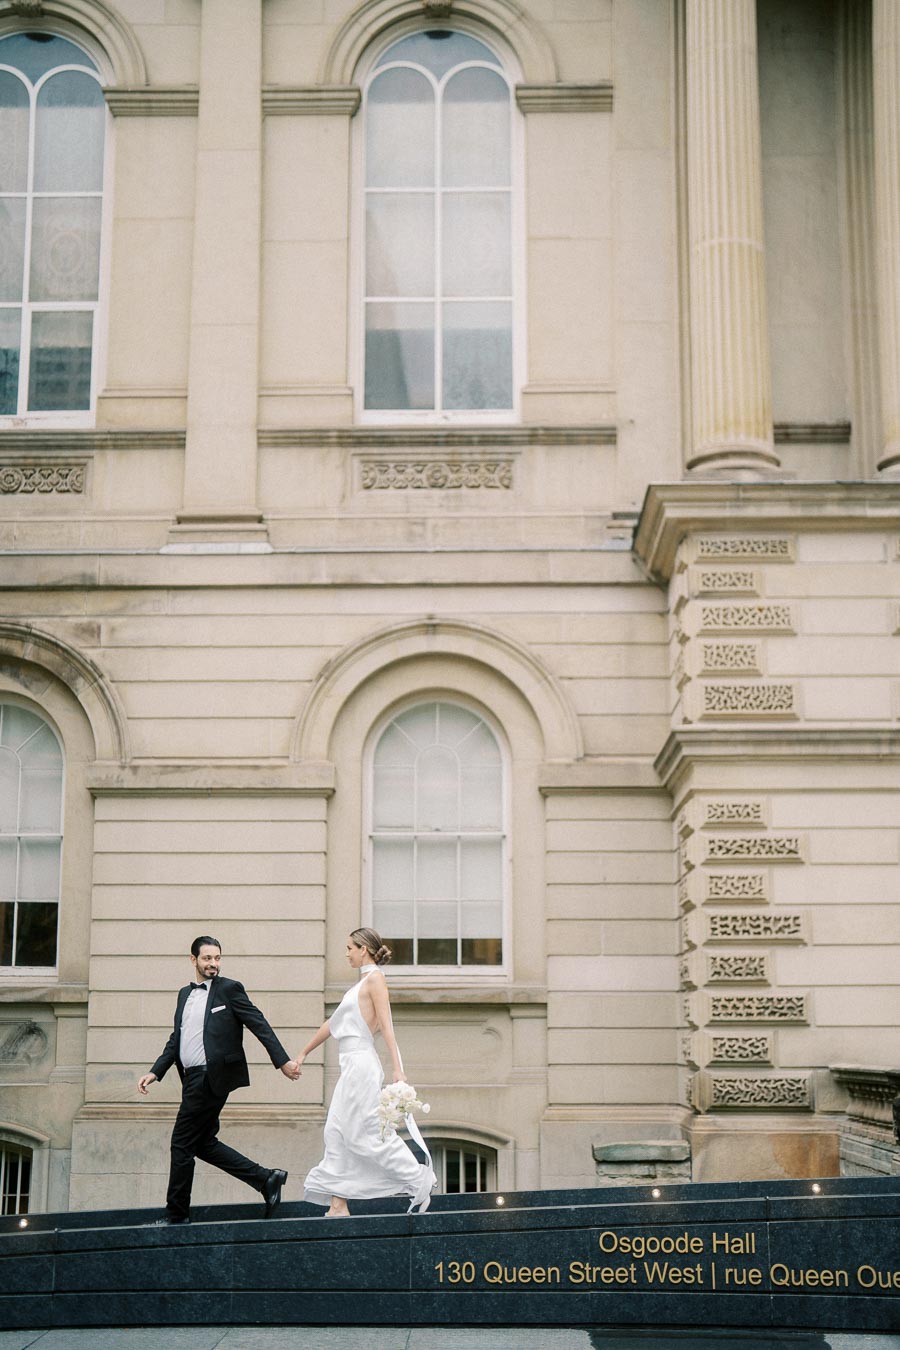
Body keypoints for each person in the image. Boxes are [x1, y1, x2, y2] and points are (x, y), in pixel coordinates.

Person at [138, 935, 299, 1224]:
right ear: (193, 960)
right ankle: (266, 1179)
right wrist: (156, 1071)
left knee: (181, 1144)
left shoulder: (230, 989)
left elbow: (258, 1023)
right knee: (201, 1144)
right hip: (191, 1079)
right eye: (207, 958)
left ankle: (176, 1216)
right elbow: (178, 1039)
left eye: (217, 958)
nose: (213, 963)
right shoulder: (184, 995)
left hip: (212, 1078)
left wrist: (282, 1061)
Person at [299, 927, 435, 1217]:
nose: (346, 953)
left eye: (350, 947)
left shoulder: (375, 980)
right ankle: (338, 1204)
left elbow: (387, 1026)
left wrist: (398, 1069)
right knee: (336, 1131)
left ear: (364, 949)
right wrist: (303, 1054)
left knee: (365, 1133)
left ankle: (418, 1178)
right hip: (350, 1065)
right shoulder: (357, 987)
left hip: (362, 1065)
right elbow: (332, 1024)